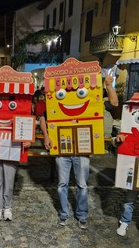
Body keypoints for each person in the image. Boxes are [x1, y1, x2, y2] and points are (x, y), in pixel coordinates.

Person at [40, 70, 118, 229]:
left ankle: (81, 214)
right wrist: (47, 136)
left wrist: (108, 86)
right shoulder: (56, 97)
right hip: (62, 150)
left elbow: (114, 103)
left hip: (82, 150)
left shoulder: (90, 95)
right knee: (62, 184)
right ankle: (63, 213)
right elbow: (43, 116)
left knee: (82, 184)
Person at [112, 135, 139, 243]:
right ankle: (124, 222)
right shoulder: (133, 122)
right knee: (129, 200)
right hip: (135, 167)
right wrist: (117, 140)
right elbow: (115, 142)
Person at [0, 142, 31, 221]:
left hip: (13, 144)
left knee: (9, 179)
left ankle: (7, 207)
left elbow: (30, 129)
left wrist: (29, 139)